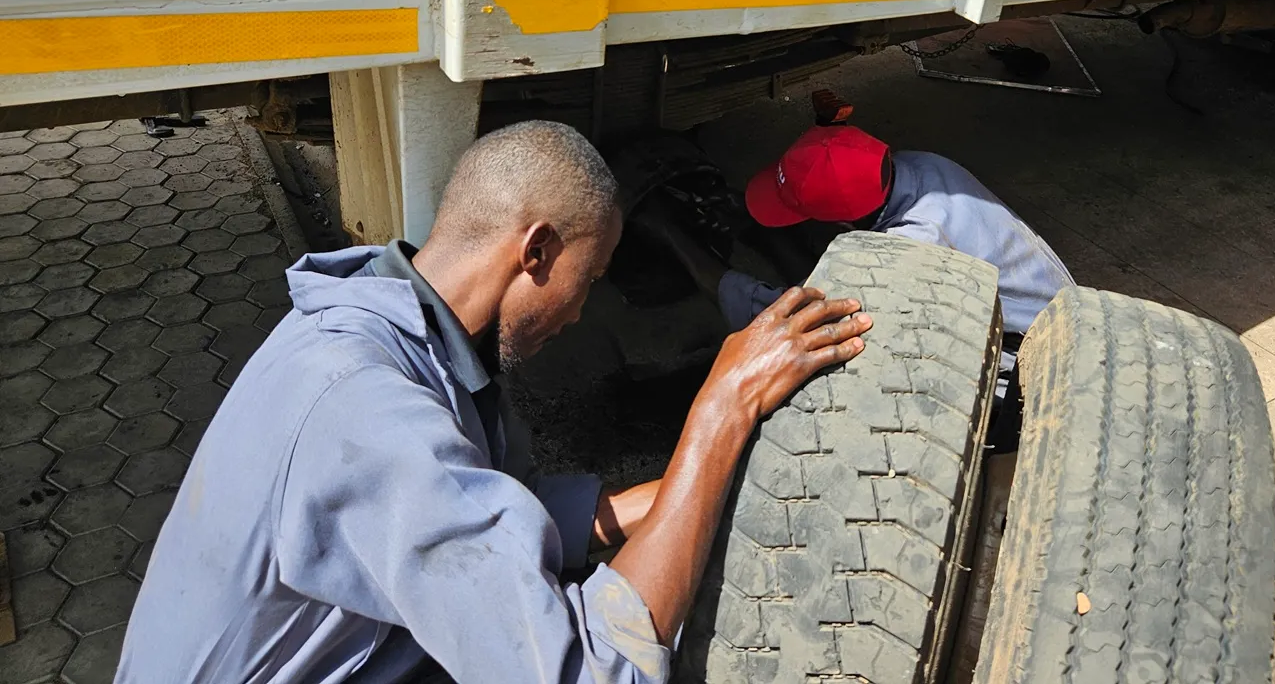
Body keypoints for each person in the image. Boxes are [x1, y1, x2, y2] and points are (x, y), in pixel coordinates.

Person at [115, 121, 871, 684]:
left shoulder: (389, 323)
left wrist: (675, 494)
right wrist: (721, 410)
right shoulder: (365, 409)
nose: (581, 312)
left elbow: (473, 504)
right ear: (535, 250)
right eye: (592, 275)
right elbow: (594, 671)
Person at [647, 124, 1073, 385]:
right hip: (1056, 306)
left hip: (1031, 365)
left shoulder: (908, 253)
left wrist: (672, 233)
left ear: (844, 227)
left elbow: (803, 324)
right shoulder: (921, 166)